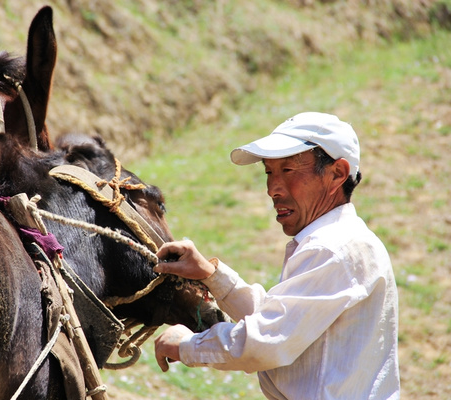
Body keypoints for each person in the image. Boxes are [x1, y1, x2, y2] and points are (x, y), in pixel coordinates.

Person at [153, 112, 400, 399]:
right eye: (269, 172)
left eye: (289, 171)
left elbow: (266, 341)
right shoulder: (341, 240)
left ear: (337, 174)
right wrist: (211, 275)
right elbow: (281, 321)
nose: (273, 189)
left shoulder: (332, 248)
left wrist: (187, 345)